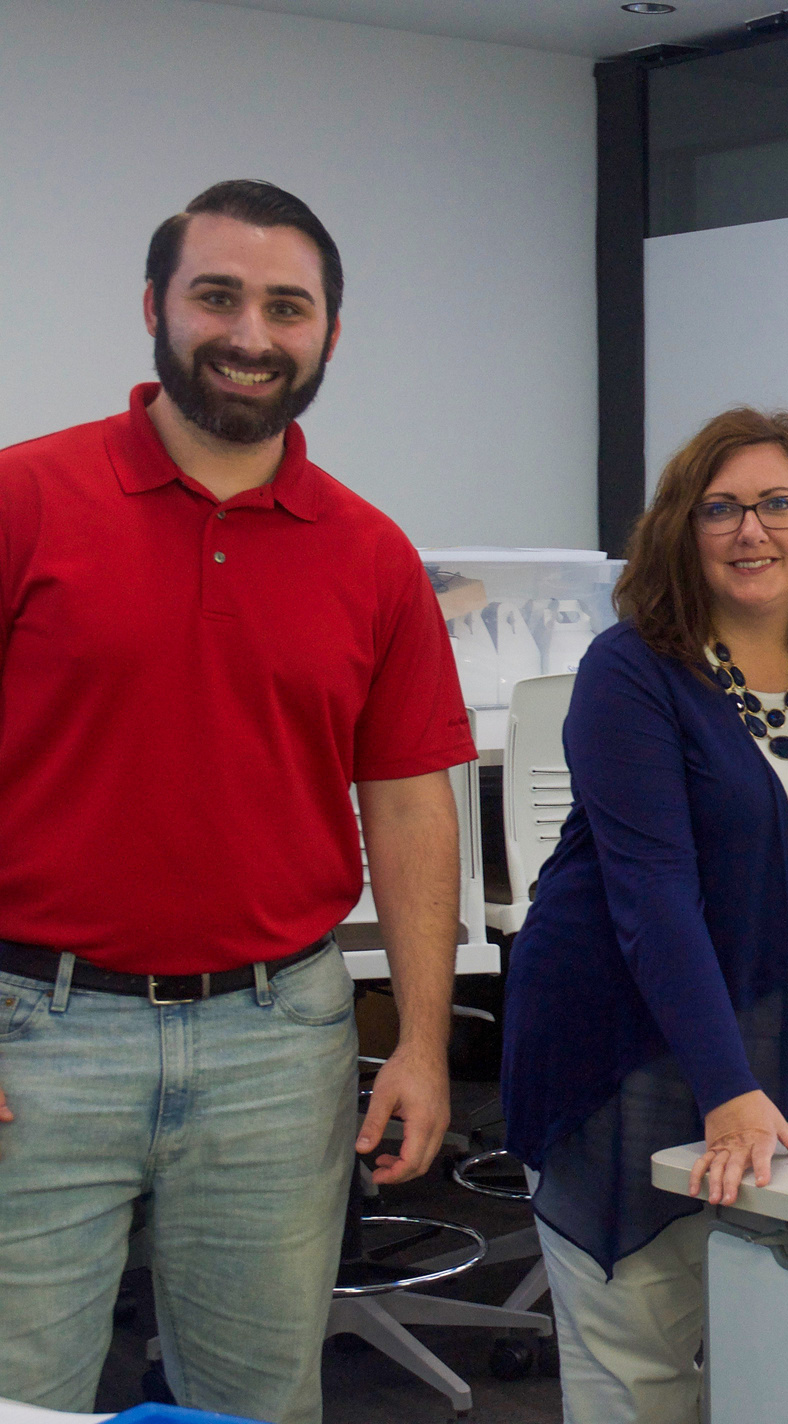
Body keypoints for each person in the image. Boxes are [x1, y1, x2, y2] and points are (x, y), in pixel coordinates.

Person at [0, 181, 473, 1421]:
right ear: (154, 307)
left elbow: (410, 805)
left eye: (286, 307)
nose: (250, 334)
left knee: (252, 1405)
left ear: (329, 333)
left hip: (278, 1039)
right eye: (216, 296)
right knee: (18, 1398)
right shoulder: (22, 500)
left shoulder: (370, 553)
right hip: (35, 1031)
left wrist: (424, 1042)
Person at [501, 407, 788, 1423]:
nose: (752, 530)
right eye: (721, 509)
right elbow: (653, 899)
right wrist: (728, 1086)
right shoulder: (630, 672)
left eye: (778, 504)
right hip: (630, 1043)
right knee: (641, 1359)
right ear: (683, 529)